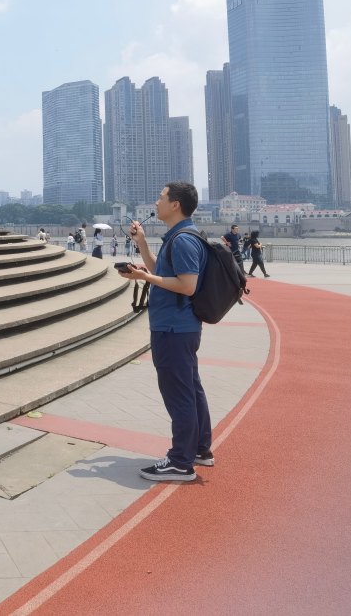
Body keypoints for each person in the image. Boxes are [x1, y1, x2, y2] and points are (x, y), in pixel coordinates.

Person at [117, 181, 212, 483]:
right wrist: (142, 245)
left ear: (175, 205)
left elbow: (187, 285)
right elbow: (163, 271)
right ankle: (200, 449)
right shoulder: (182, 235)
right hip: (180, 327)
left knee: (179, 394)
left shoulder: (183, 240)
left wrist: (145, 277)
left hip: (173, 327)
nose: (156, 203)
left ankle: (181, 462)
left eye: (161, 198)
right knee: (190, 388)